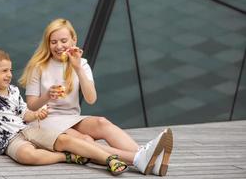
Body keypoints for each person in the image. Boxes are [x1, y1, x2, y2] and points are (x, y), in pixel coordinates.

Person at [19, 18, 174, 176]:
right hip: (45, 121)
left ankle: (147, 158)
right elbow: (31, 105)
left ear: (74, 40)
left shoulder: (82, 64)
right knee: (84, 140)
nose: (59, 46)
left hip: (71, 118)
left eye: (63, 41)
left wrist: (78, 68)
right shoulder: (38, 66)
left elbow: (91, 99)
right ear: (48, 43)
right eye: (53, 42)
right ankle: (139, 158)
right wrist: (47, 96)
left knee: (102, 122)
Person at [0, 48, 130, 176]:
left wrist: (36, 115)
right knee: (26, 155)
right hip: (9, 139)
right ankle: (66, 157)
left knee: (64, 140)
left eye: (10, 70)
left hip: (27, 129)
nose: (9, 75)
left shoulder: (14, 91)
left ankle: (109, 160)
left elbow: (24, 114)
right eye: (4, 71)